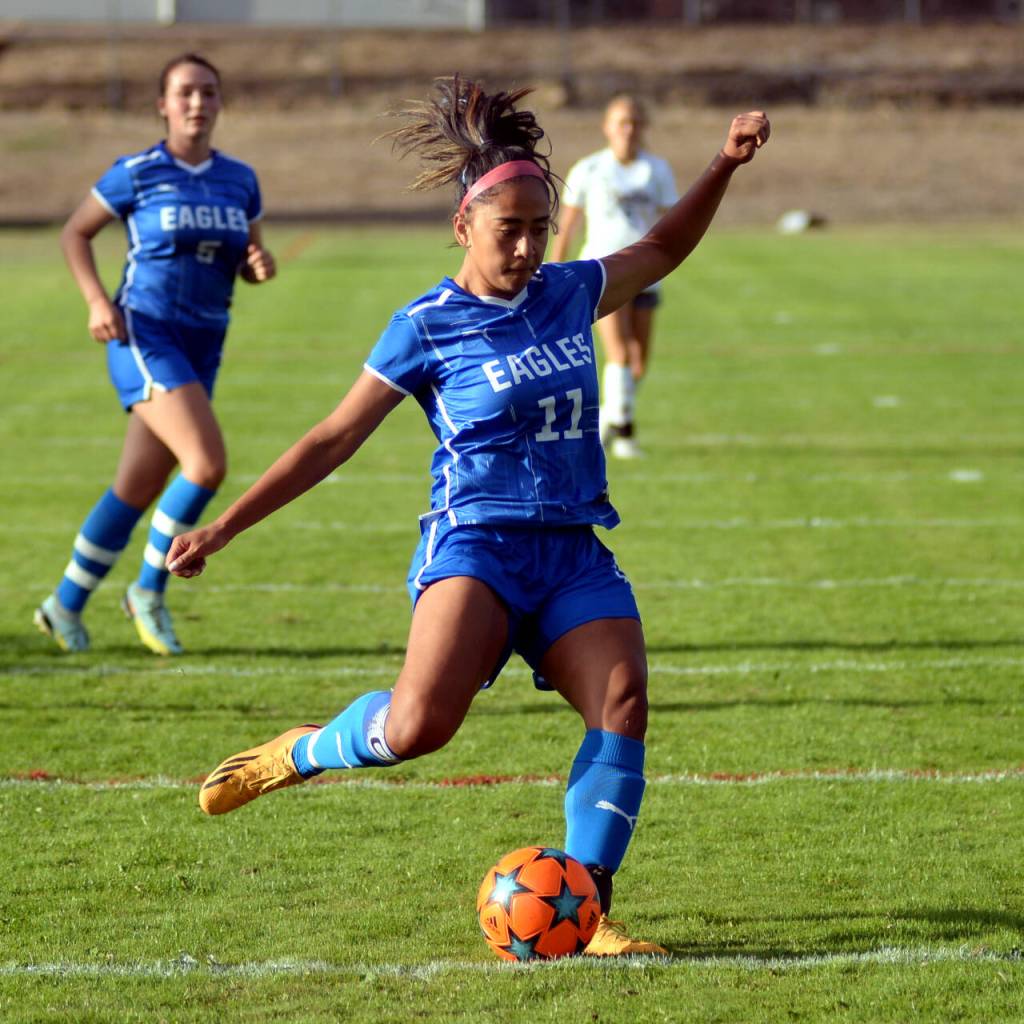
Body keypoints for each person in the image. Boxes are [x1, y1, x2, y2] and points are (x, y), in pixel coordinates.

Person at [167, 76, 769, 956]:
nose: (526, 248)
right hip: (478, 546)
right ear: (463, 226)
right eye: (507, 230)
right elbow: (333, 438)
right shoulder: (426, 324)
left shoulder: (568, 291)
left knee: (623, 701)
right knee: (417, 729)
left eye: (537, 227)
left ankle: (585, 907)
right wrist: (224, 526)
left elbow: (661, 248)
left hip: (571, 549)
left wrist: (724, 162)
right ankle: (298, 752)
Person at [33, 53, 276, 656]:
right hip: (145, 333)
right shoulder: (137, 172)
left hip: (204, 342)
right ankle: (148, 590)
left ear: (221, 104)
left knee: (136, 488)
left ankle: (63, 604)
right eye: (186, 93)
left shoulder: (240, 179)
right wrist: (95, 301)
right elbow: (75, 232)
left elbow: (246, 256)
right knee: (206, 463)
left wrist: (256, 266)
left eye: (209, 93)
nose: (198, 103)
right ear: (163, 105)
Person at [549, 95, 678, 459]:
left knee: (638, 362)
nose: (629, 130)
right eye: (622, 122)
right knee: (618, 352)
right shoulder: (589, 169)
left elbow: (670, 222)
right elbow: (568, 226)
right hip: (601, 272)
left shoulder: (657, 170)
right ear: (607, 127)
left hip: (646, 273)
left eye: (635, 122)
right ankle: (625, 434)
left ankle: (606, 422)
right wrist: (556, 273)